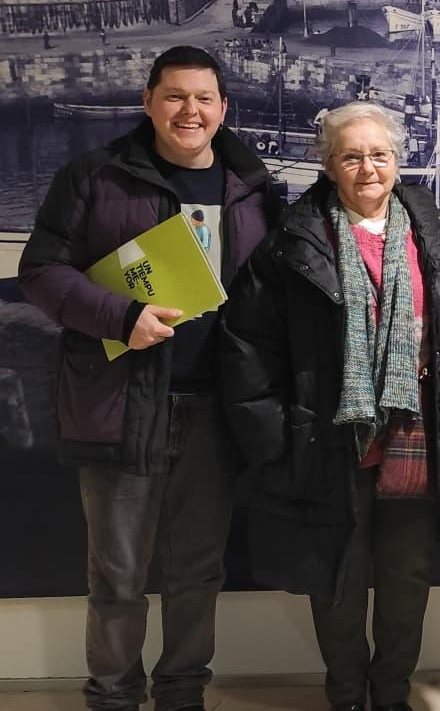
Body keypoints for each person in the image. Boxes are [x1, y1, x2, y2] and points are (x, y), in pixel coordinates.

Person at [18, 45, 276, 711]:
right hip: (121, 401)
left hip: (217, 407)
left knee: (199, 571)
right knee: (118, 576)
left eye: (203, 98)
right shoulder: (95, 175)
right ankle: (112, 698)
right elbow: (40, 272)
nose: (190, 110)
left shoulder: (252, 187)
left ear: (223, 107)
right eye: (174, 96)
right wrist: (122, 316)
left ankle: (183, 694)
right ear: (148, 103)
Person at [220, 102, 440, 711]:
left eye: (379, 154)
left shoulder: (436, 236)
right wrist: (276, 437)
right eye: (351, 156)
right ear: (329, 165)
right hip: (328, 442)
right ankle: (346, 696)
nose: (368, 168)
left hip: (419, 436)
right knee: (338, 580)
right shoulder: (293, 243)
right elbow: (248, 349)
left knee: (407, 580)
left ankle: (391, 695)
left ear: (398, 160)